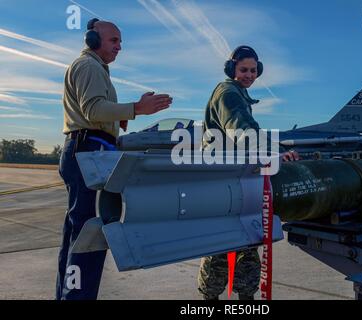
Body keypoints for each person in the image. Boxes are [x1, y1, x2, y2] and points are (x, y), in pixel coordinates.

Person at [56, 18, 172, 300]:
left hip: (90, 149)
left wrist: (118, 118)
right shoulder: (89, 66)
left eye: (120, 42)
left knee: (78, 233)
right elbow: (93, 109)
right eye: (114, 40)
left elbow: (94, 111)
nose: (119, 47)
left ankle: (68, 295)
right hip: (89, 152)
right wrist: (136, 109)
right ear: (93, 40)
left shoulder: (97, 69)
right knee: (89, 236)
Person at [198, 45, 299, 300]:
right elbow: (242, 130)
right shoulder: (228, 93)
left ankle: (244, 298)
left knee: (247, 241)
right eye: (244, 70)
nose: (250, 75)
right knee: (219, 247)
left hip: (238, 181)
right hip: (222, 183)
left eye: (254, 70)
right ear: (232, 69)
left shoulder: (239, 94)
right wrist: (274, 154)